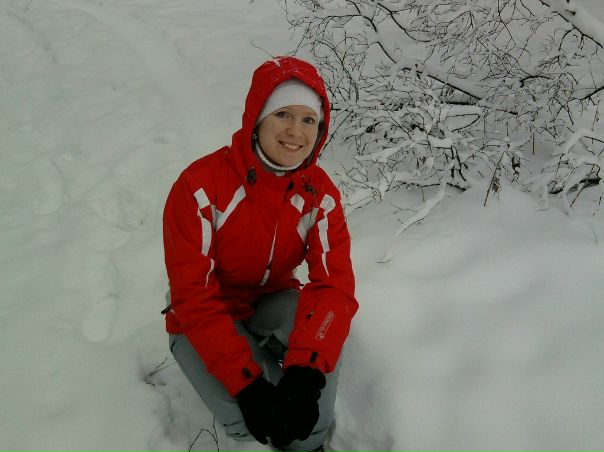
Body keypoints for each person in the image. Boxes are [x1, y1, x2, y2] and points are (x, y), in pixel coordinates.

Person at [162, 56, 358, 452]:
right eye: (283, 113)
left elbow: (334, 287)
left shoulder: (319, 195)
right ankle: (248, 369)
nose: (295, 131)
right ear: (257, 118)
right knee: (249, 423)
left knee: (309, 424)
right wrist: (247, 384)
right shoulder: (200, 187)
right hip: (201, 314)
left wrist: (305, 374)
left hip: (272, 300)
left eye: (308, 119)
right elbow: (193, 294)